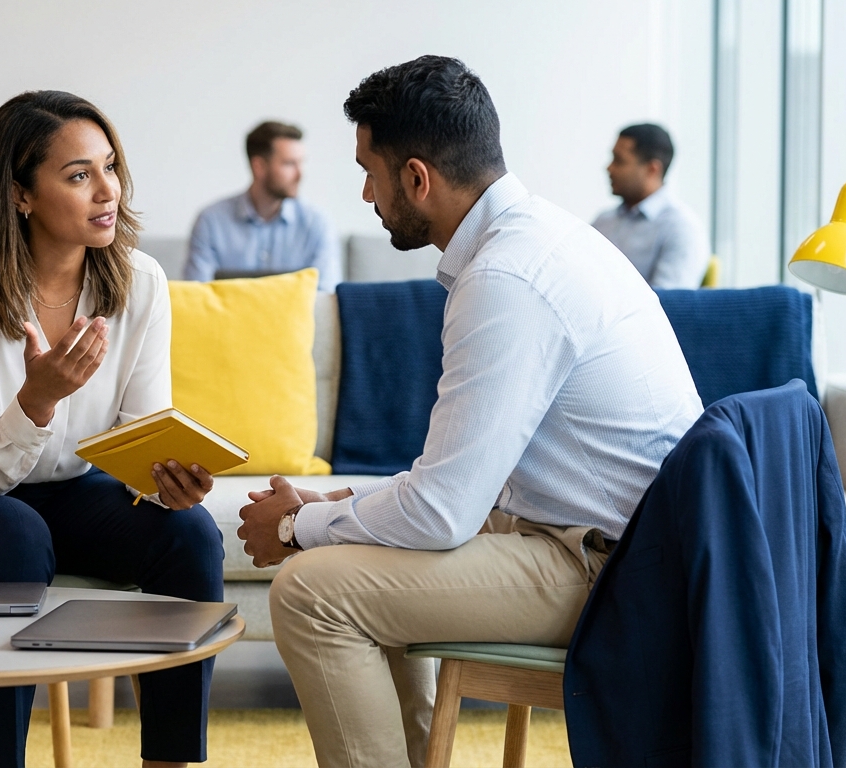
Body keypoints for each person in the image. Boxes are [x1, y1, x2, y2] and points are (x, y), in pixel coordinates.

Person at [236, 56, 704, 768]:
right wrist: (340, 510)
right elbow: (456, 483)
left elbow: (441, 514)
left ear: (416, 178)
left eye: (369, 172)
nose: (364, 193)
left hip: (618, 572)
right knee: (348, 551)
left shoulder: (506, 278)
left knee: (311, 592)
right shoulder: (543, 238)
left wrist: (296, 527)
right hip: (600, 538)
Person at [0, 91, 223, 768]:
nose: (107, 190)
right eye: (79, 174)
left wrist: (164, 479)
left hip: (62, 489)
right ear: (20, 194)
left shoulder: (141, 281)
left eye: (109, 167)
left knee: (189, 534)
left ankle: (171, 760)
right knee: (17, 533)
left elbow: (140, 431)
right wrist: (37, 401)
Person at [183, 121, 341, 291]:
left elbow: (325, 295)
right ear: (259, 166)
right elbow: (196, 294)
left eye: (301, 163)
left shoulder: (317, 224)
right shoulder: (210, 222)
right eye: (289, 164)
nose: (300, 174)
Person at [591, 123, 710, 288]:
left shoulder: (681, 228)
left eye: (619, 161)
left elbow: (668, 299)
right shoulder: (603, 221)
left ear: (652, 169)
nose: (609, 168)